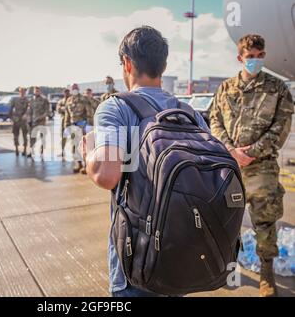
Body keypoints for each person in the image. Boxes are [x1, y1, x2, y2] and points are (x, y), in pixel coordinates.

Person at [81, 26, 209, 297]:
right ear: (162, 65)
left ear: (127, 63)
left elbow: (107, 175)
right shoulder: (189, 113)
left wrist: (89, 153)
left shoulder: (115, 108)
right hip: (181, 254)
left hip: (137, 260)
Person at [210, 34, 294, 297]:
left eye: (260, 56)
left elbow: (281, 127)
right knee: (226, 219)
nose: (256, 61)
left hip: (262, 168)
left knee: (265, 222)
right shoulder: (225, 88)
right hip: (230, 167)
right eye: (250, 57)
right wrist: (231, 150)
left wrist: (253, 153)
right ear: (240, 58)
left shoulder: (278, 88)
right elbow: (214, 120)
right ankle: (226, 267)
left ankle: (266, 272)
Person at [65, 84, 93, 174]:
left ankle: (86, 166)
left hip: (82, 126)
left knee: (84, 146)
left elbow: (89, 112)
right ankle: (79, 164)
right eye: (73, 89)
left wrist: (88, 126)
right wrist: (66, 126)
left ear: (78, 89)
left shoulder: (83, 99)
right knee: (75, 146)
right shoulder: (69, 100)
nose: (75, 90)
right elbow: (67, 115)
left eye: (76, 89)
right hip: (73, 127)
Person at [28, 87, 50, 160]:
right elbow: (30, 111)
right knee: (32, 137)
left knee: (42, 137)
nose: (36, 92)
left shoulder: (44, 100)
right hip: (33, 122)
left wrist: (40, 117)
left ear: (40, 91)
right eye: (35, 91)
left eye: (38, 91)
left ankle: (42, 152)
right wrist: (29, 120)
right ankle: (31, 151)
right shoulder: (31, 100)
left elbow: (47, 111)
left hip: (41, 122)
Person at [9, 87, 29, 156]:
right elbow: (10, 109)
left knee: (25, 135)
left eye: (24, 91)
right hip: (16, 119)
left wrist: (26, 115)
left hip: (24, 120)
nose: (22, 92)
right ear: (19, 92)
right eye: (21, 91)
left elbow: (29, 109)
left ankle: (25, 150)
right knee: (15, 135)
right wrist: (12, 118)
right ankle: (16, 149)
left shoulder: (27, 100)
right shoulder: (15, 99)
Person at [56, 88, 71, 159]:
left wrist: (64, 108)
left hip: (71, 121)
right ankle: (62, 151)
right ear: (63, 93)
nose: (67, 93)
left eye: (68, 92)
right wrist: (66, 108)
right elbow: (58, 109)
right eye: (65, 92)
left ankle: (74, 153)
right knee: (63, 137)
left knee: (73, 137)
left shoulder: (72, 100)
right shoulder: (61, 101)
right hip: (63, 121)